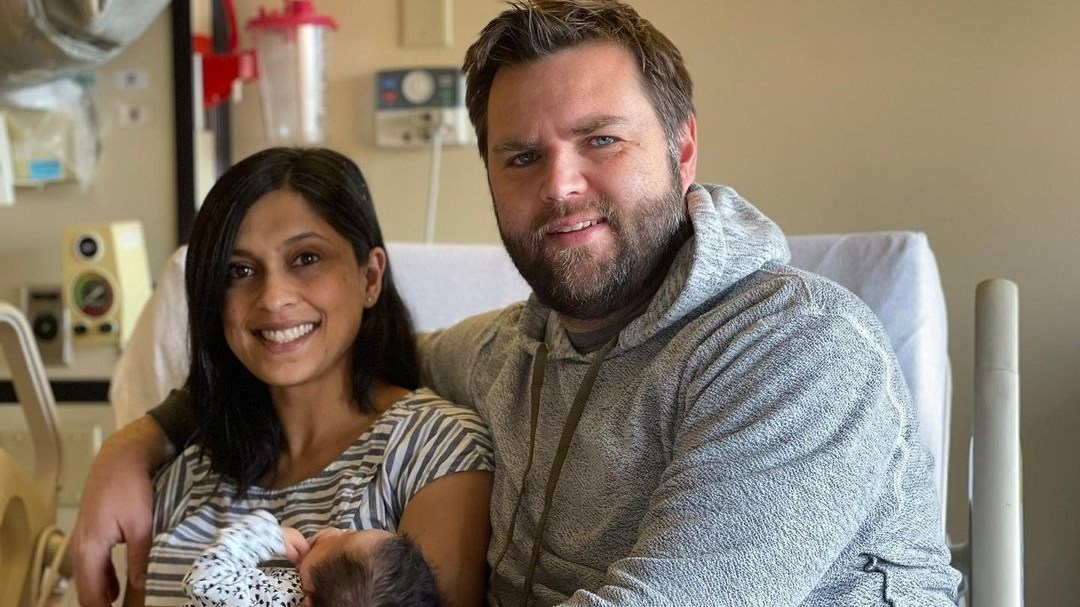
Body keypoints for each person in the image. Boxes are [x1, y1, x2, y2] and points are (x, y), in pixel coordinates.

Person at [70, 1, 961, 606]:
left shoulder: (795, 348)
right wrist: (136, 441)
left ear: (683, 148)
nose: (561, 186)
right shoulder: (498, 358)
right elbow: (318, 353)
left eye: (600, 140)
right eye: (522, 157)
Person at [117, 147, 492, 607]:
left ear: (370, 277)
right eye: (239, 270)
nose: (273, 298)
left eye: (306, 258)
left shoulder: (435, 450)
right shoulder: (184, 475)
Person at [181, 510, 441, 607]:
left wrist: (264, 534)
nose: (343, 529)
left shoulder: (275, 598)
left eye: (347, 537)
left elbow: (205, 581)